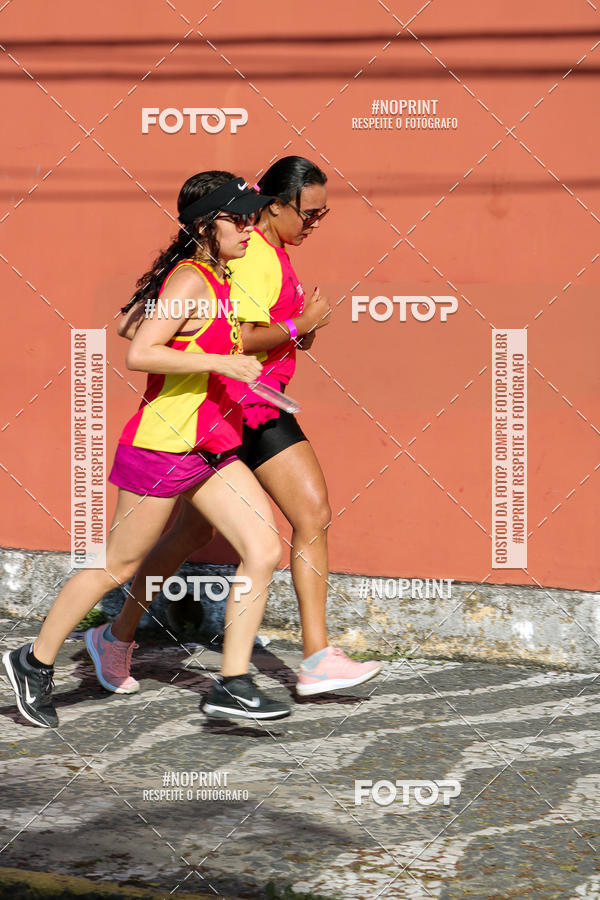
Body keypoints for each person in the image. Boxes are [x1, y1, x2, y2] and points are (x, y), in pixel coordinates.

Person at [3, 170, 292, 727]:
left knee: (263, 548)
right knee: (118, 565)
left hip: (210, 442)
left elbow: (133, 325)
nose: (252, 229)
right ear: (209, 224)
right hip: (164, 444)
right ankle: (33, 661)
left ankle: (232, 684)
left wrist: (234, 374)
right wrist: (219, 362)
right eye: (241, 218)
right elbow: (141, 353)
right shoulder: (192, 279)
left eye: (255, 218)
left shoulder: (212, 275)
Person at [92, 156, 381, 698]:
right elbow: (227, 338)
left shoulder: (272, 253)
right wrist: (300, 324)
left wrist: (297, 331)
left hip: (261, 404)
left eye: (323, 214)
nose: (315, 223)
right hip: (230, 408)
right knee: (210, 529)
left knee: (257, 521)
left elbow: (258, 331)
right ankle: (124, 636)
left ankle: (311, 655)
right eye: (308, 213)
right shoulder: (253, 257)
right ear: (274, 205)